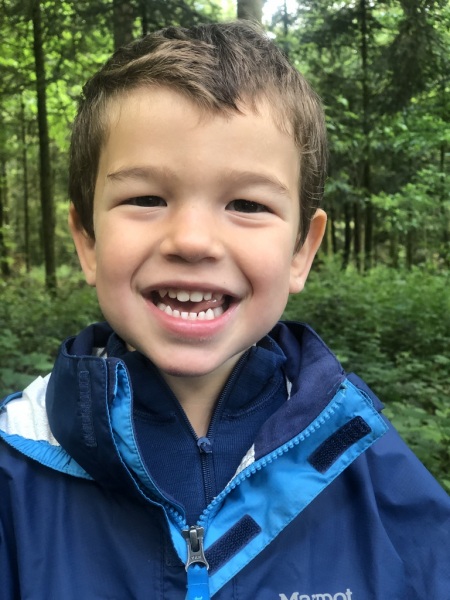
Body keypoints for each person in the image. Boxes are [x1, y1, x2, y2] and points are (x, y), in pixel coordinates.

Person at [0, 21, 448, 600]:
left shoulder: (374, 475)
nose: (192, 241)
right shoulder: (16, 475)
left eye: (247, 204)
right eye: (145, 198)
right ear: (87, 239)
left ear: (301, 251)